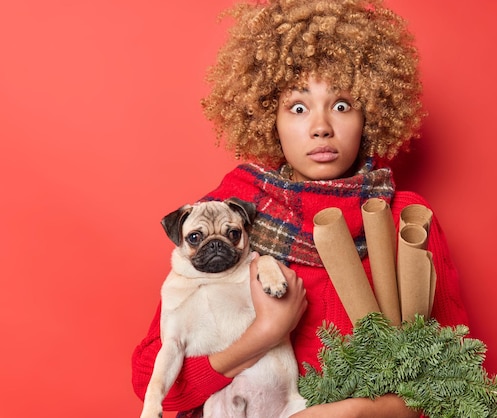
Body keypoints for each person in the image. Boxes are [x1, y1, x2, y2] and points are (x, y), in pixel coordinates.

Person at [132, 0, 469, 417]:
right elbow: (156, 382)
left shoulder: (407, 222)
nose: (321, 126)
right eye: (297, 107)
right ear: (267, 117)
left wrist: (357, 412)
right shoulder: (232, 213)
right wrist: (265, 333)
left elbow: (458, 377)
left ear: (372, 115)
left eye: (342, 105)